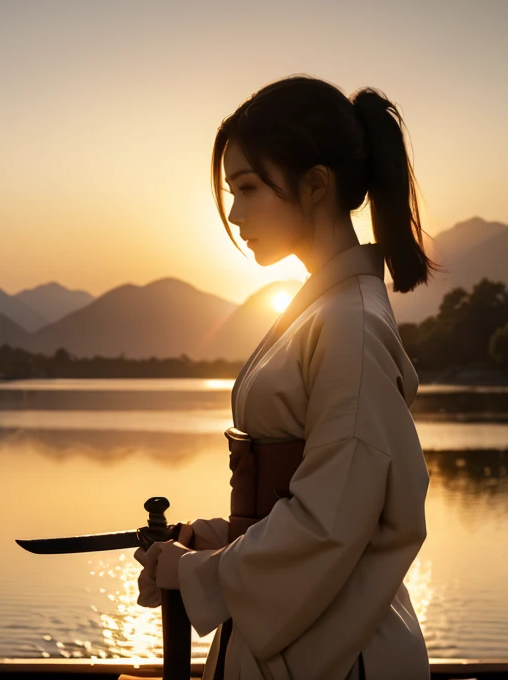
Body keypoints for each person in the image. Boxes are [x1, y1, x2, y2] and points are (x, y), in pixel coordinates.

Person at [133, 74, 436, 680]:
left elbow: (333, 521)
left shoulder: (348, 325)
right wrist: (222, 539)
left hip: (339, 652)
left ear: (316, 185)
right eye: (231, 192)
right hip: (313, 631)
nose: (236, 213)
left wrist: (197, 574)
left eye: (248, 188)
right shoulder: (326, 311)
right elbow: (320, 499)